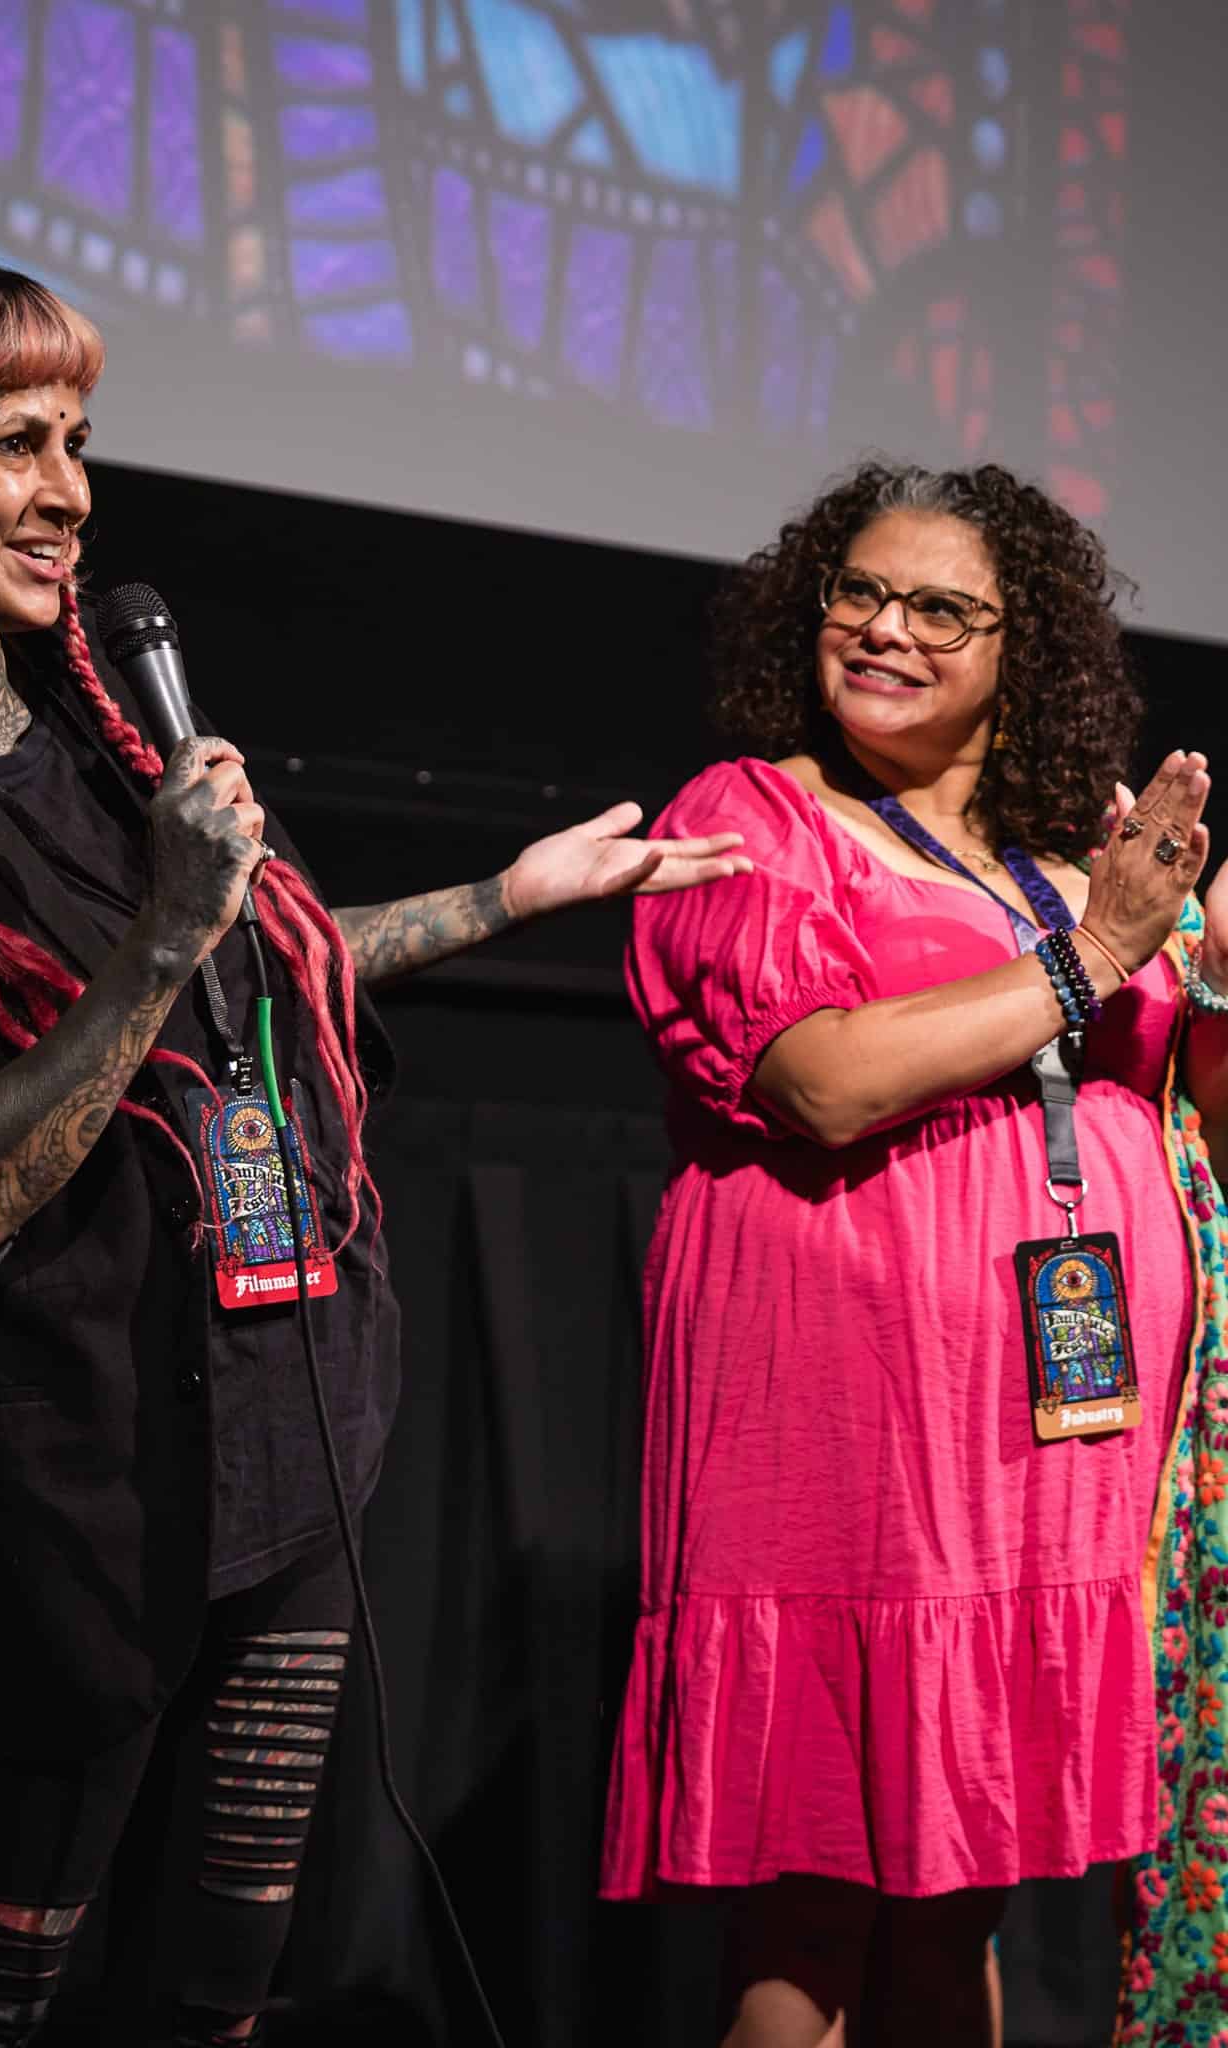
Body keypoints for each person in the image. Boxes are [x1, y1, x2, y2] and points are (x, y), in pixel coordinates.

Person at [0, 255, 747, 2048]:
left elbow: (252, 981)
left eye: (80, 440)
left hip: (282, 1449)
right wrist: (154, 938)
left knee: (222, 1976)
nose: (72, 493)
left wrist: (508, 896)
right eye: (13, 443)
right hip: (65, 1506)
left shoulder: (79, 720)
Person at [599, 460, 1228, 2047]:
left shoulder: (1066, 860)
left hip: (1048, 1448)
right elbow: (818, 1079)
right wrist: (1097, 958)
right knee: (806, 1935)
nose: (886, 629)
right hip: (852, 1430)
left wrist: (1211, 983)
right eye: (859, 594)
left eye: (942, 607)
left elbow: (1184, 1128)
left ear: (1028, 650)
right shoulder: (751, 819)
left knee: (960, 1913)